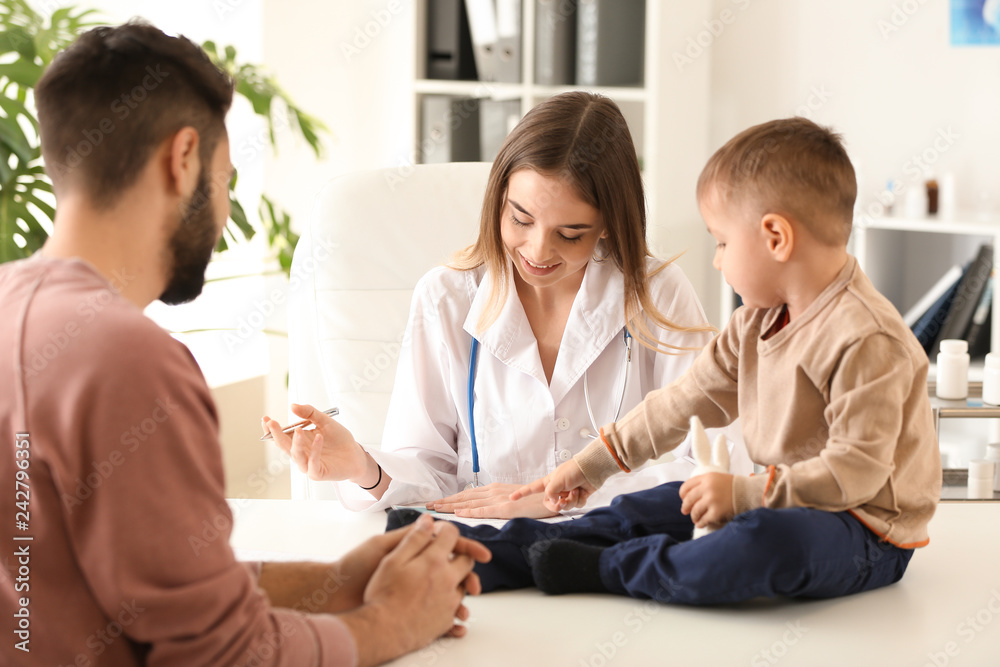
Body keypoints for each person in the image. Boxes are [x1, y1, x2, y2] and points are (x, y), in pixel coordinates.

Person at [0, 22, 490, 667]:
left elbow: (125, 587)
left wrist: (339, 580)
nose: (226, 210)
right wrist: (395, 621)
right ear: (182, 160)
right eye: (226, 178)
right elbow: (223, 655)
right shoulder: (127, 361)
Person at [394, 116, 943, 604]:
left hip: (864, 526)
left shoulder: (867, 341)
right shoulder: (757, 320)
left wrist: (746, 496)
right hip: (781, 496)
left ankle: (607, 569)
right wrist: (591, 465)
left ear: (775, 237)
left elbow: (855, 473)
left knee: (763, 545)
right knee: (650, 506)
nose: (717, 258)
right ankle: (478, 551)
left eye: (723, 242)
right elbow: (683, 403)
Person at [264, 92, 750, 519]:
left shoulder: (656, 293)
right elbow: (427, 476)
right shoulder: (446, 298)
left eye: (571, 233)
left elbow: (718, 462)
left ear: (608, 224)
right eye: (521, 219)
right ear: (498, 201)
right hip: (484, 549)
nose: (538, 251)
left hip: (618, 545)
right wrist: (362, 466)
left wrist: (569, 496)